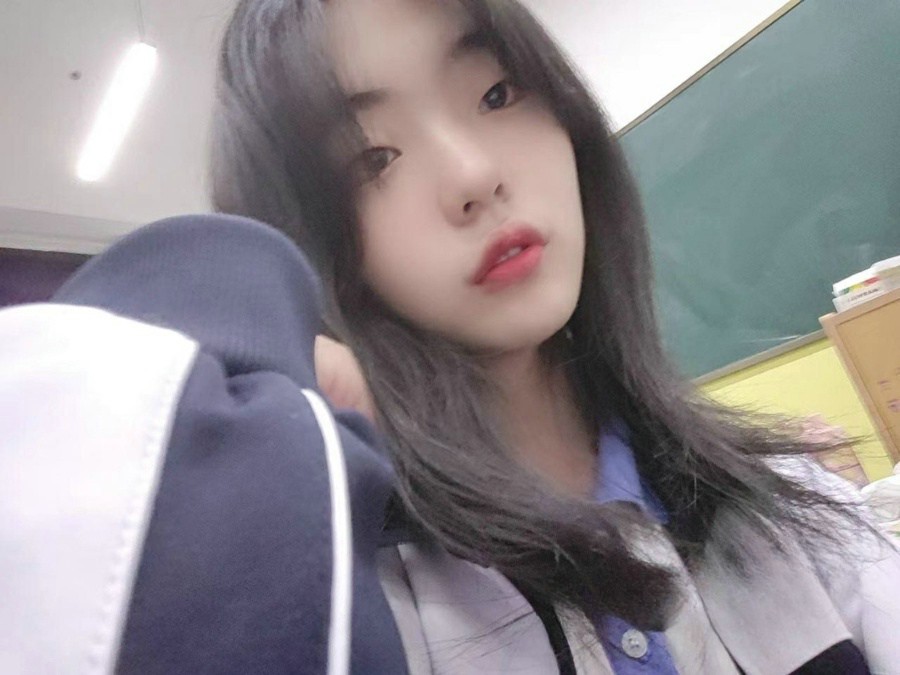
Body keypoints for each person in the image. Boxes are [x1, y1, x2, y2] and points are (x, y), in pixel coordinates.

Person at [1, 1, 898, 673]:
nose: (473, 174)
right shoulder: (349, 596)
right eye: (373, 158)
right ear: (319, 242)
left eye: (498, 92)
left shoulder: (792, 514)